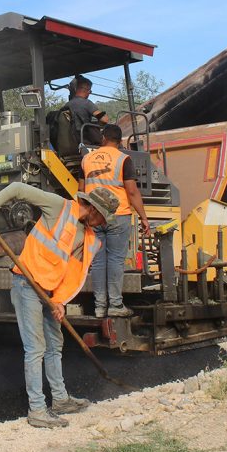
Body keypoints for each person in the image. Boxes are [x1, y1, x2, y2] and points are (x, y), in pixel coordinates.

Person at [0, 182, 119, 429]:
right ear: (94, 210)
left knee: (55, 345)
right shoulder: (59, 207)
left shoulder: (89, 239)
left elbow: (75, 275)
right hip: (27, 284)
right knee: (36, 348)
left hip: (49, 293)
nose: (103, 225)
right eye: (103, 219)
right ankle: (37, 410)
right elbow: (17, 188)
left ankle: (61, 400)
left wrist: (59, 301)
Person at [79, 124, 152, 318]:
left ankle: (100, 307)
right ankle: (116, 305)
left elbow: (80, 190)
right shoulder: (123, 159)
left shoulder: (86, 159)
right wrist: (144, 218)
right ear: (119, 142)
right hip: (118, 215)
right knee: (115, 261)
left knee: (98, 262)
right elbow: (132, 191)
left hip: (94, 217)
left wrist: (85, 215)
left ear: (103, 138)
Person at [66, 75, 109, 145]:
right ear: (88, 91)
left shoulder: (67, 105)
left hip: (73, 141)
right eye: (90, 91)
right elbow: (105, 120)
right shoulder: (87, 103)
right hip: (88, 141)